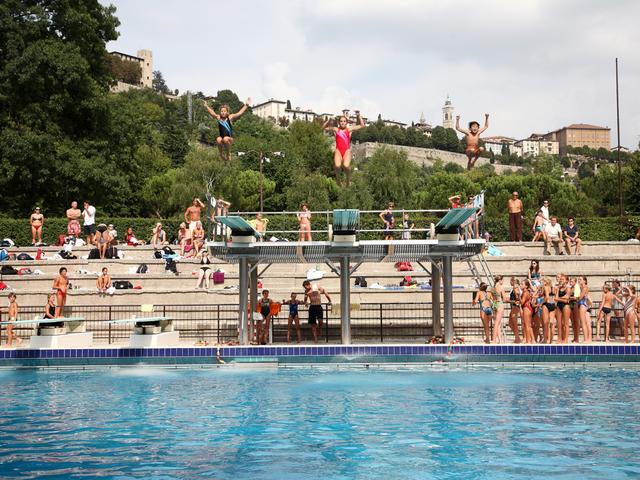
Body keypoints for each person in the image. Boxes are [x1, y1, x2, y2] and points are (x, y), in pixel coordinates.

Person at [322, 111, 365, 187]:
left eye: (344, 121)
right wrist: (329, 120)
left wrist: (358, 116)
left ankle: (348, 180)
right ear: (339, 122)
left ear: (346, 122)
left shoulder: (349, 130)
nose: (343, 123)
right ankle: (338, 181)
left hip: (346, 151)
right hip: (338, 150)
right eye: (341, 121)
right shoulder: (336, 129)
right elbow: (323, 128)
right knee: (337, 166)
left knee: (346, 165)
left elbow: (362, 125)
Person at [555, 274, 571, 344]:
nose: (561, 280)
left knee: (565, 324)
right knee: (559, 324)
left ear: (566, 281)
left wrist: (559, 299)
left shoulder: (568, 288)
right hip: (559, 305)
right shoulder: (559, 288)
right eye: (560, 279)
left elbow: (566, 299)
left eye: (563, 279)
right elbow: (555, 298)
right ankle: (559, 338)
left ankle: (566, 339)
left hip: (566, 306)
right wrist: (558, 291)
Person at [541, 277, 557, 344]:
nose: (543, 282)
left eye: (544, 281)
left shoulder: (546, 287)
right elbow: (555, 297)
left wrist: (541, 303)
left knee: (545, 323)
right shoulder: (553, 288)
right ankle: (550, 340)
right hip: (553, 305)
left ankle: (545, 340)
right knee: (551, 323)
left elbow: (547, 297)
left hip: (546, 304)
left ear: (546, 282)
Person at [492, 276, 507, 344]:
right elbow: (504, 299)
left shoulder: (493, 288)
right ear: (500, 280)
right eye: (502, 280)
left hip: (494, 304)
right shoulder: (501, 287)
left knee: (497, 324)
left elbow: (492, 297)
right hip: (499, 304)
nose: (503, 282)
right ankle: (494, 340)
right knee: (497, 323)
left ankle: (499, 340)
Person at [577, 276, 592, 343]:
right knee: (586, 322)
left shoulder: (584, 288)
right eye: (578, 279)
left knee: (583, 323)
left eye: (580, 279)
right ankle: (588, 339)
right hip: (584, 304)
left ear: (584, 281)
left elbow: (580, 297)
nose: (579, 280)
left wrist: (573, 298)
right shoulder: (582, 287)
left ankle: (586, 338)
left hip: (583, 305)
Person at [508, 277, 521, 343]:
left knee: (514, 323)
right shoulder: (514, 288)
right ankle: (517, 337)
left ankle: (517, 338)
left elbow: (517, 299)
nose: (510, 282)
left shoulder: (515, 288)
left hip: (515, 306)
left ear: (513, 282)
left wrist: (510, 301)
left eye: (510, 281)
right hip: (513, 306)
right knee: (510, 323)